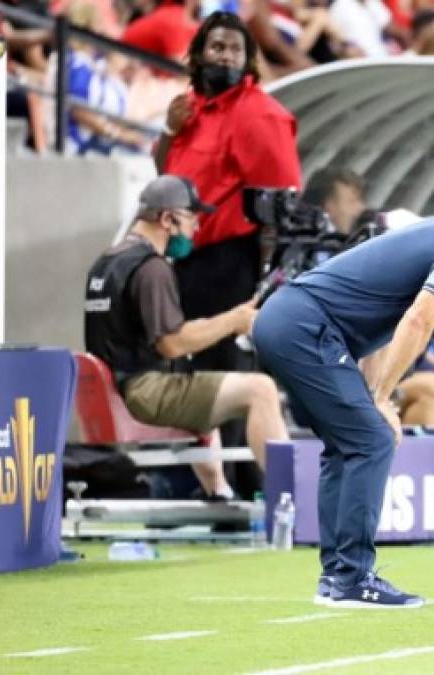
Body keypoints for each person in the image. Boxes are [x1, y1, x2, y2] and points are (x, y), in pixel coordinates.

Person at [251, 173, 434, 608]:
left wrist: (380, 394)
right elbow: (419, 321)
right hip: (303, 327)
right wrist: (378, 401)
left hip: (287, 320)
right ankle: (352, 579)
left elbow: (382, 335)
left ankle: (338, 578)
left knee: (349, 443)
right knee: (370, 438)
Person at [153, 11, 301, 465]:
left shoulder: (259, 113)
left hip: (230, 261)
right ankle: (201, 478)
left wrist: (266, 273)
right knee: (186, 369)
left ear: (249, 59)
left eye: (236, 49)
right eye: (217, 47)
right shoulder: (189, 108)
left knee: (226, 373)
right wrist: (168, 131)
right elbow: (165, 173)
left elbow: (284, 197)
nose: (226, 56)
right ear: (199, 54)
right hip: (184, 257)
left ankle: (244, 477)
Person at [84, 175, 288, 498]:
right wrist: (234, 321)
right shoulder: (152, 268)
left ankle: (218, 491)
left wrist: (228, 320)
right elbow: (172, 342)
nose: (196, 228)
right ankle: (294, 501)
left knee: (203, 393)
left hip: (120, 390)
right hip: (145, 392)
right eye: (192, 218)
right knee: (260, 388)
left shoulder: (105, 263)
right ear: (167, 219)